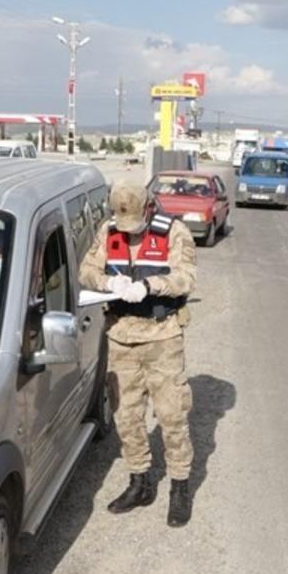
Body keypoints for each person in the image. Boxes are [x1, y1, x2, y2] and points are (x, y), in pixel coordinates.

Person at [78, 183, 198, 527]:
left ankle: (179, 486)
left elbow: (186, 278)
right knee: (126, 415)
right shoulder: (108, 230)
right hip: (121, 335)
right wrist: (108, 284)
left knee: (172, 414)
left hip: (162, 336)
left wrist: (149, 285)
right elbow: (86, 270)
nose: (127, 229)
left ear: (148, 208)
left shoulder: (174, 232)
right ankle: (140, 482)